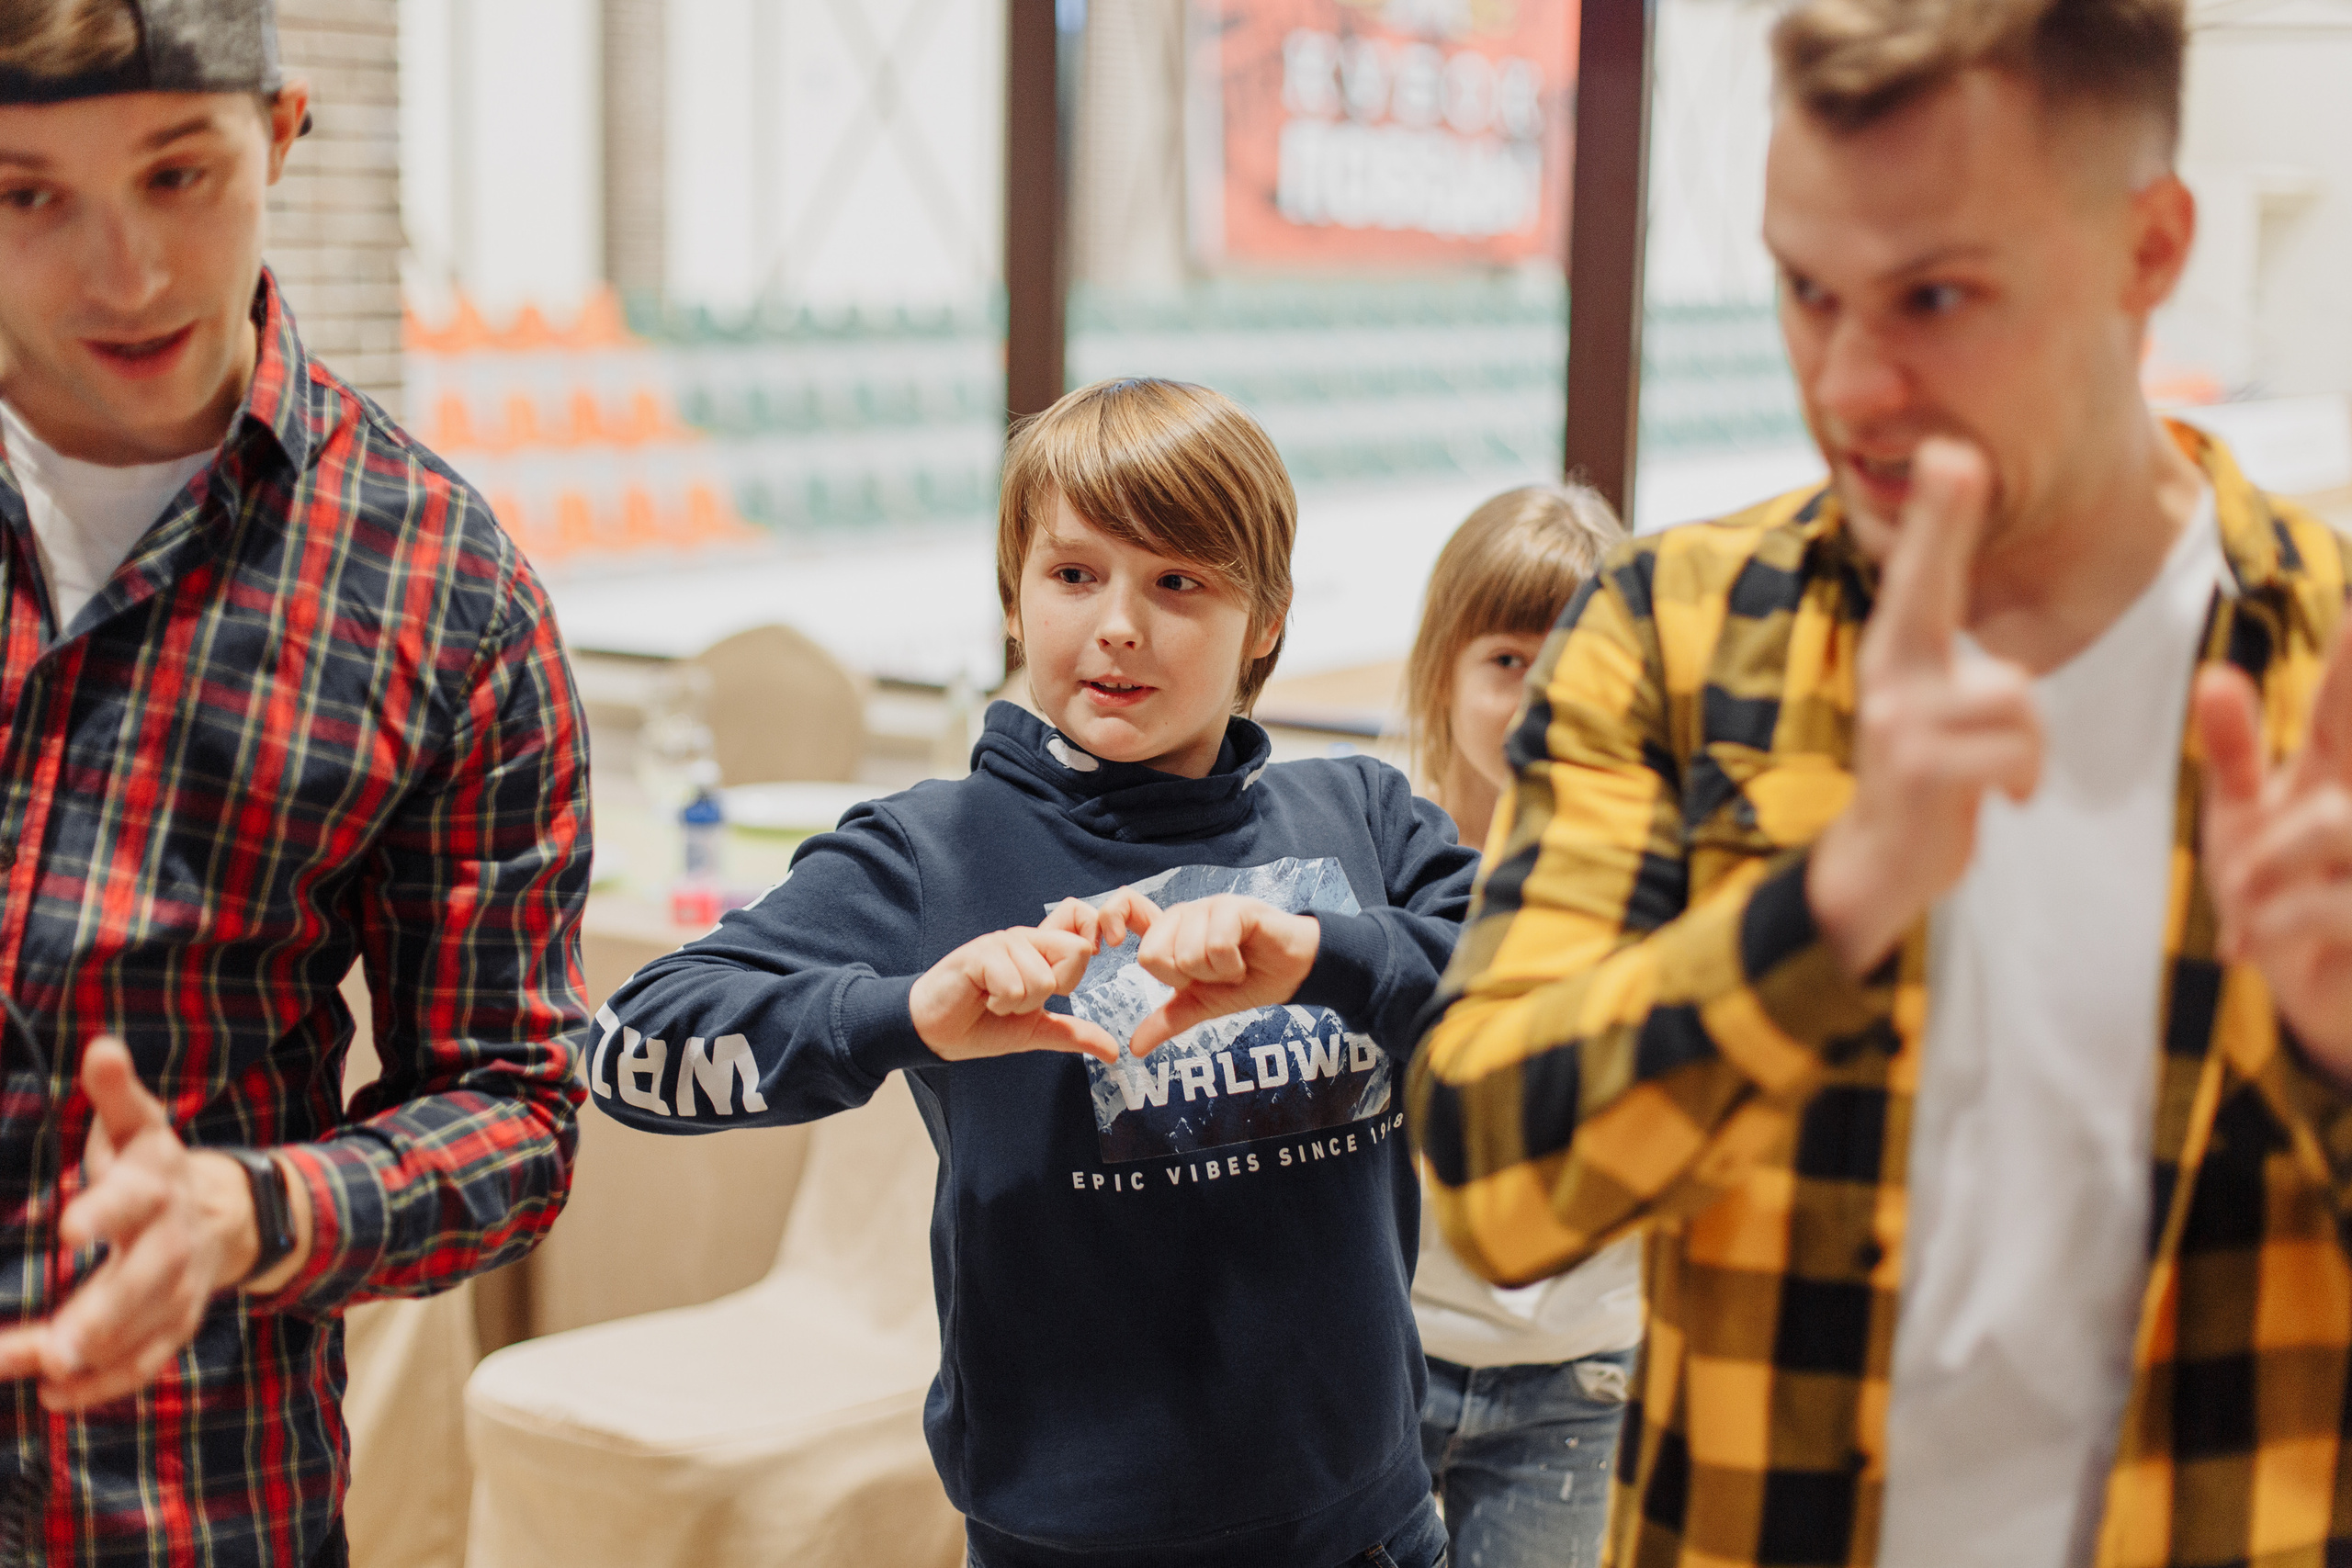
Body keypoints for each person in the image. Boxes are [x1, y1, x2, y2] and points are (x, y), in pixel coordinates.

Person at [1408, 1, 2352, 1565]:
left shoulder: (2324, 666)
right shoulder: (1677, 632)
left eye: (1936, 296)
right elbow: (1496, 1176)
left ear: (2149, 248)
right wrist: (1832, 901)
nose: (1847, 383)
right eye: (1807, 288)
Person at [595, 377, 1477, 1568]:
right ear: (1015, 595)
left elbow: (1547, 980)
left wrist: (1323, 954)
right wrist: (904, 1014)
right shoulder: (929, 851)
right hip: (1071, 1543)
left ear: (1266, 619)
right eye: (1073, 573)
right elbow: (632, 1044)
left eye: (1179, 581)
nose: (1118, 624)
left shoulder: (1360, 812)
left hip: (1374, 1528)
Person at [0, 2, 592, 1562]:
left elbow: (516, 1106)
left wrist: (248, 1211)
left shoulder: (447, 592)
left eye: (176, 174)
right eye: (28, 194)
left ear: (277, 132)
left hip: (179, 1500)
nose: (124, 272)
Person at [1398, 484, 1638, 1568]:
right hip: (1386, 1358)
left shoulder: (1655, 892)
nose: (1542, 698)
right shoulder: (1379, 864)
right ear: (1441, 675)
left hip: (1577, 1376)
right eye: (1506, 660)